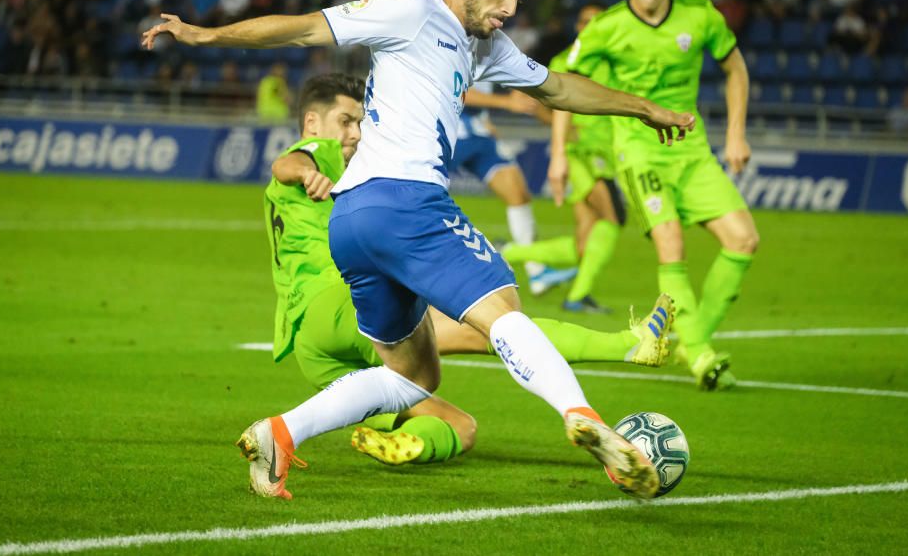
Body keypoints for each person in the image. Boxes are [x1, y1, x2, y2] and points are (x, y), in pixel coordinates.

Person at [142, 0, 694, 501]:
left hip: (354, 223)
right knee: (502, 308)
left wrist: (644, 109)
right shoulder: (409, 9)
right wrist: (205, 35)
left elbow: (556, 88)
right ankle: (583, 416)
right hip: (406, 201)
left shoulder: (485, 45)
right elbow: (306, 27)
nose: (509, 9)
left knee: (414, 375)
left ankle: (281, 432)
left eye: (520, 0)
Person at [260, 73, 675, 479]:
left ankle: (403, 441)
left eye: (360, 122)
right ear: (313, 122)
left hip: (310, 345)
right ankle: (628, 344)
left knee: (457, 425)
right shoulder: (319, 151)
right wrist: (305, 171)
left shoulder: (328, 174)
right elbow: (287, 162)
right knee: (492, 327)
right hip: (337, 305)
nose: (355, 133)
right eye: (346, 121)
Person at [558, 0, 759, 391]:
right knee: (670, 242)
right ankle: (701, 354)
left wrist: (735, 133)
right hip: (638, 149)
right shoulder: (606, 27)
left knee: (744, 240)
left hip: (692, 151)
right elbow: (564, 84)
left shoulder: (700, 15)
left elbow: (736, 68)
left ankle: (693, 338)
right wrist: (558, 152)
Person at [501, 4, 626, 314]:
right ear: (578, 25)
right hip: (581, 156)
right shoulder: (565, 61)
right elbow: (543, 103)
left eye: (596, 21)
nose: (590, 26)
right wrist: (565, 135)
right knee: (614, 216)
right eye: (584, 20)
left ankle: (508, 252)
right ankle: (578, 295)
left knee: (585, 242)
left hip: (606, 153)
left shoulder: (612, 62)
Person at [458, 84, 578, 296]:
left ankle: (537, 272)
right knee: (424, 197)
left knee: (518, 194)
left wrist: (485, 119)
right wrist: (506, 102)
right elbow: (456, 90)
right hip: (443, 132)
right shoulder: (454, 50)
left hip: (477, 132)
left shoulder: (485, 53)